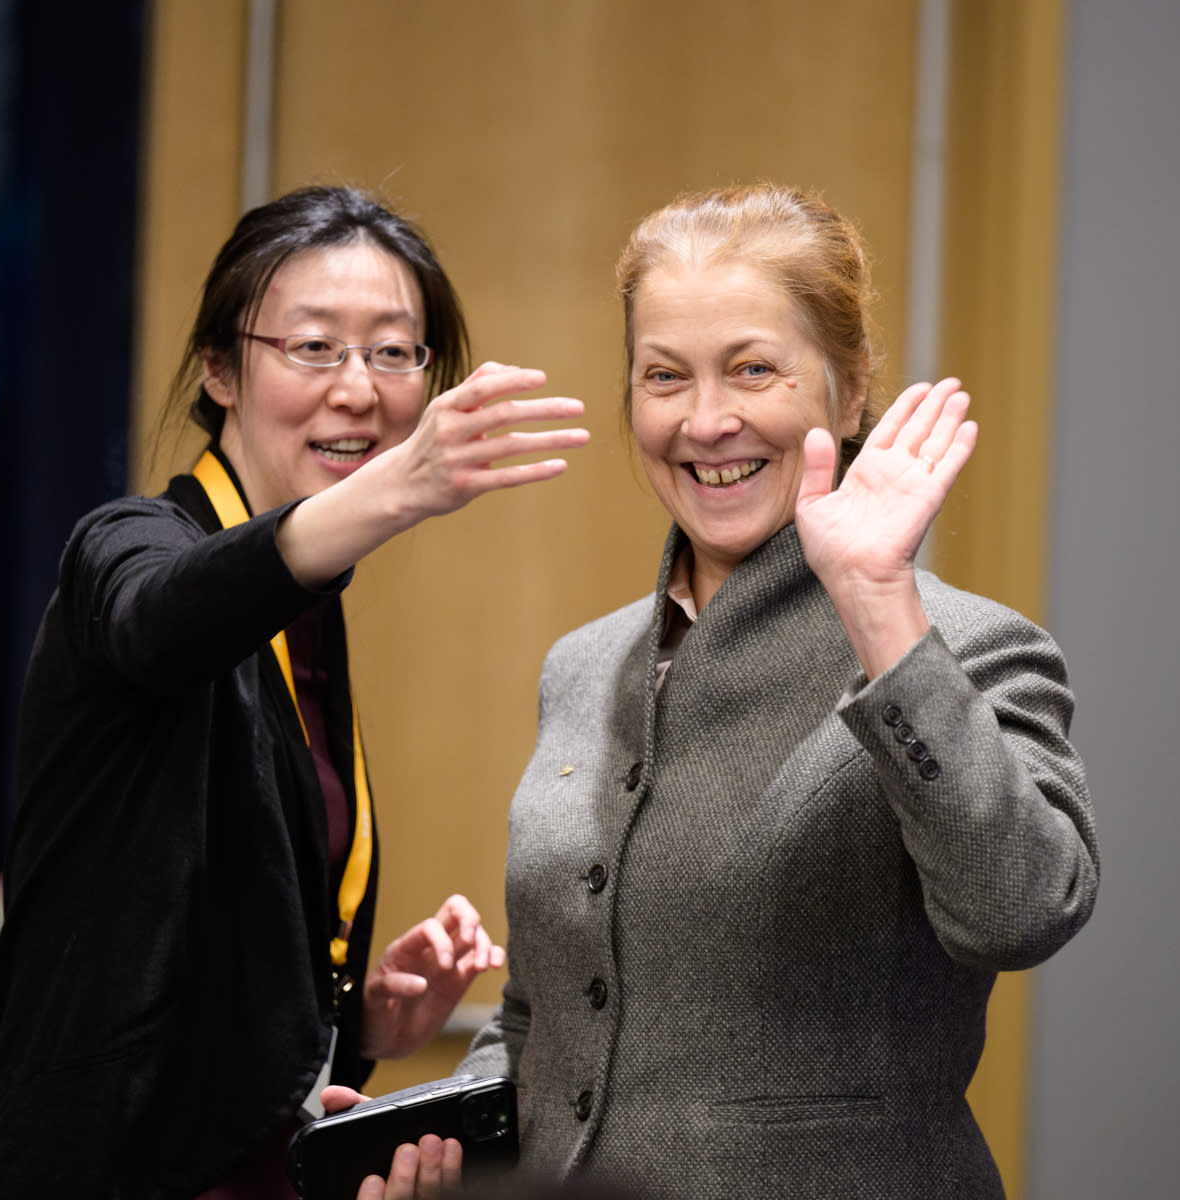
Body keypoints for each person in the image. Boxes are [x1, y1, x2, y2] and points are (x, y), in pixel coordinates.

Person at [451, 183, 1100, 1198]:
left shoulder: (963, 647)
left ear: (847, 393)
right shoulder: (583, 665)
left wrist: (881, 608)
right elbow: (548, 1014)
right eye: (665, 376)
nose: (707, 421)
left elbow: (1022, 912)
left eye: (753, 369)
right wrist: (449, 1133)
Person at [0, 185, 589, 1199]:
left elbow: (204, 970)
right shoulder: (132, 544)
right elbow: (160, 619)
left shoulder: (306, 611)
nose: (359, 391)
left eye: (393, 352)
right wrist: (394, 492)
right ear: (219, 368)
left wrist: (359, 1022)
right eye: (314, 348)